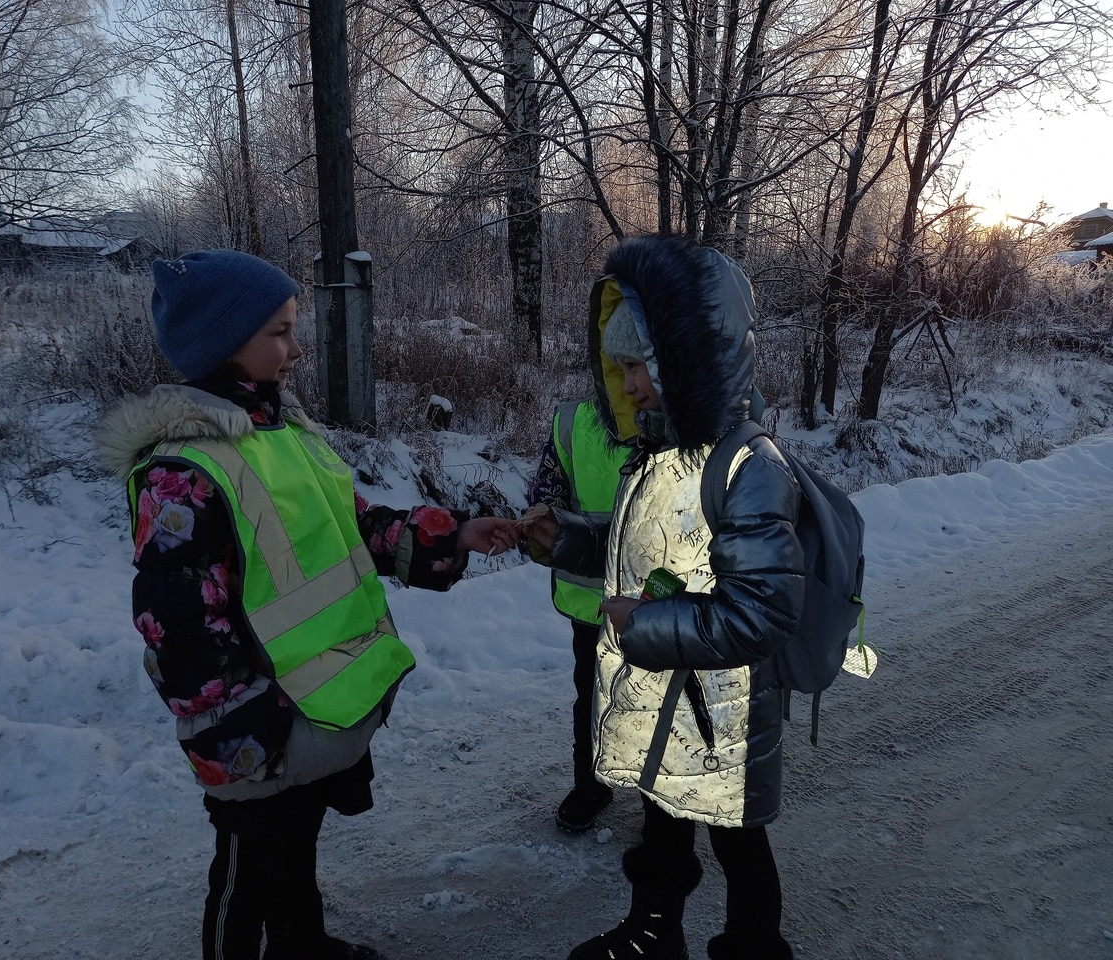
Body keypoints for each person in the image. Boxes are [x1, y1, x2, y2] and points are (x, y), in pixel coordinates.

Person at [97, 249, 518, 960]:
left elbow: (347, 528)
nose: (296, 349)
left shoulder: (283, 432)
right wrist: (245, 730)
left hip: (315, 705)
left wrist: (454, 536)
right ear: (223, 343)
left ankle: (303, 946)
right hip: (256, 727)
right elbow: (181, 626)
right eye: (280, 333)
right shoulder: (181, 472)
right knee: (247, 873)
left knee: (297, 846)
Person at [522, 234, 803, 960]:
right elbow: (640, 550)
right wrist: (569, 542)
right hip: (665, 691)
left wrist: (646, 622)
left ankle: (754, 946)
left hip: (729, 705)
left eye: (639, 366)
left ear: (690, 358)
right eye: (618, 369)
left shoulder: (750, 467)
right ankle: (654, 933)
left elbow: (763, 611)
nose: (630, 386)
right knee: (662, 825)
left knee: (738, 842)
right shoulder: (661, 456)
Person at [524, 398, 630, 832]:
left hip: (660, 598)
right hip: (590, 600)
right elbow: (547, 488)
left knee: (662, 699)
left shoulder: (672, 413)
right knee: (590, 695)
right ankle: (590, 784)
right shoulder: (573, 420)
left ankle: (660, 801)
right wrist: (542, 517)